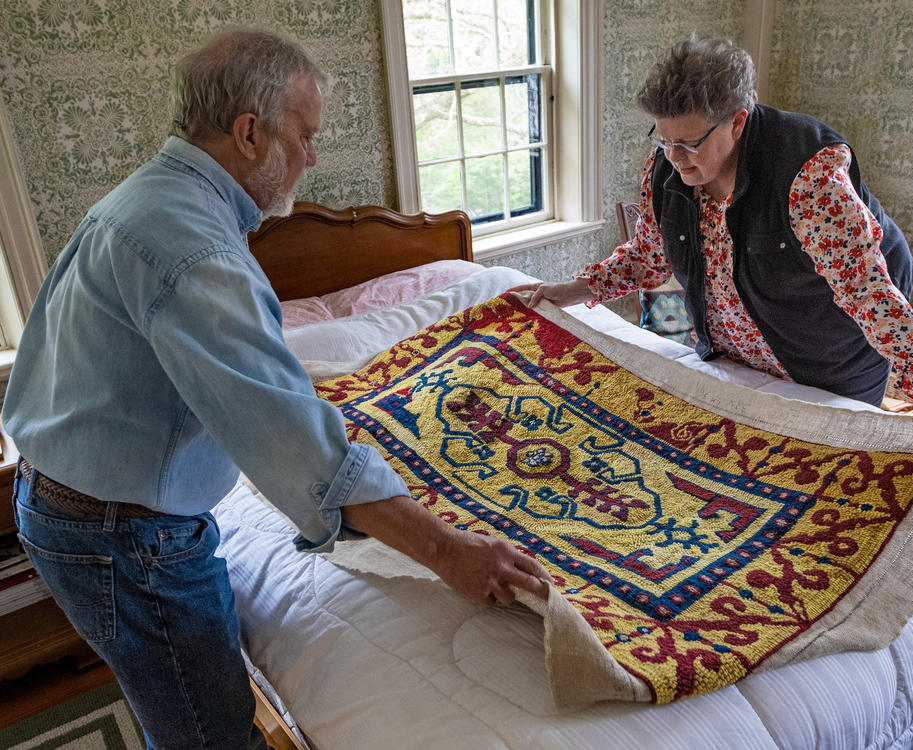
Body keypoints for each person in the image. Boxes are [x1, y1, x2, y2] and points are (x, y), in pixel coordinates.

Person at [3, 29, 551, 748]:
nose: (313, 157)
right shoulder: (198, 253)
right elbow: (294, 440)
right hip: (123, 534)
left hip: (77, 501)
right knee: (210, 730)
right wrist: (449, 552)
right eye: (306, 135)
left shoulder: (142, 201)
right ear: (250, 133)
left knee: (177, 702)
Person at [516, 36, 913, 444]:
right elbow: (650, 256)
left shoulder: (809, 177)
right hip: (738, 348)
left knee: (832, 460)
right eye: (663, 140)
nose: (674, 157)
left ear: (737, 123)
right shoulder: (665, 168)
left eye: (689, 143)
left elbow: (867, 294)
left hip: (828, 344)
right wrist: (576, 290)